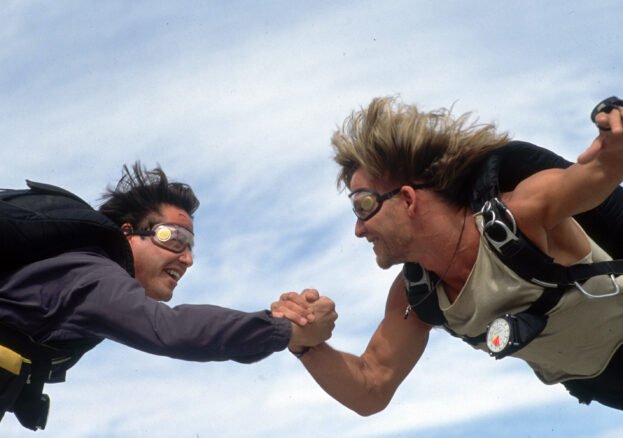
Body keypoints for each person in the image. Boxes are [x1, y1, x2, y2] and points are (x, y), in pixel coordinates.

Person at [273, 95, 623, 414]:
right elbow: (371, 388)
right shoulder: (418, 296)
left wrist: (616, 139)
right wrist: (306, 344)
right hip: (608, 388)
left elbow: (598, 173)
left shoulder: (519, 215)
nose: (358, 229)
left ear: (408, 199)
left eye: (363, 205)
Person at [0, 162, 337, 430]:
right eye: (173, 238)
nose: (186, 258)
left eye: (190, 246)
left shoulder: (79, 275)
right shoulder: (93, 275)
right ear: (127, 234)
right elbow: (172, 330)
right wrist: (287, 328)